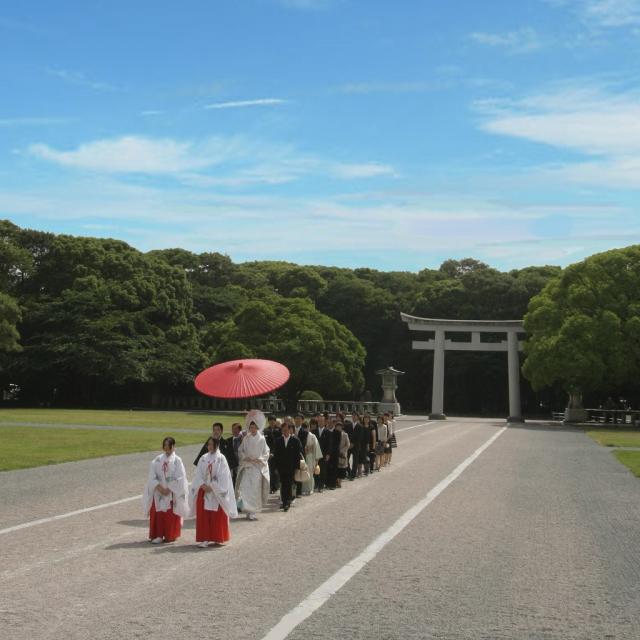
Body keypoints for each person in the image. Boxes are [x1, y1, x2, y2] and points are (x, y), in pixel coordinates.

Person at [190, 436, 238, 547]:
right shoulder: (203, 458)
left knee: (217, 515)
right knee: (204, 516)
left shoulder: (221, 458)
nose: (209, 446)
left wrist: (212, 486)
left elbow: (224, 476)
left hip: (216, 492)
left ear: (216, 445)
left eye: (211, 444)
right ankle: (204, 538)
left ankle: (217, 536)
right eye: (208, 444)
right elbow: (198, 474)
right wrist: (202, 484)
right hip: (204, 491)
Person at [143, 437, 189, 544]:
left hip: (171, 492)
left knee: (169, 514)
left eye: (169, 446)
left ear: (173, 447)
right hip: (159, 491)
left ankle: (170, 534)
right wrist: (159, 487)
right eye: (165, 446)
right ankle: (158, 534)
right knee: (159, 513)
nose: (166, 448)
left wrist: (170, 488)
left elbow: (180, 477)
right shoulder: (157, 460)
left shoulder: (177, 460)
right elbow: (152, 476)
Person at [235, 420, 270, 521]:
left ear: (257, 428)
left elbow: (266, 452)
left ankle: (253, 511)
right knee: (246, 489)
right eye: (251, 427)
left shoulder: (262, 439)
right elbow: (240, 450)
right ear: (249, 428)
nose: (253, 429)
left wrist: (260, 459)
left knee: (255, 490)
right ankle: (247, 509)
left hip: (257, 467)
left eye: (254, 427)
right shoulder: (246, 438)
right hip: (248, 466)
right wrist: (246, 457)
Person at [273, 421, 303, 512]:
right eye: (283, 430)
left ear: (290, 430)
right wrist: (275, 467)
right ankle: (284, 501)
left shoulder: (295, 440)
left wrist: (297, 468)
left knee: (289, 484)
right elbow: (276, 455)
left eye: (287, 429)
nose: (285, 431)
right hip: (281, 467)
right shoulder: (278, 441)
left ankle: (287, 502)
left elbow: (297, 455)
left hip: (291, 467)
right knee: (283, 484)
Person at [302, 418, 323, 495]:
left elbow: (316, 447)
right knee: (303, 472)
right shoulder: (301, 435)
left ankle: (310, 488)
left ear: (309, 427)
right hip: (303, 456)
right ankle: (303, 488)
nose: (305, 429)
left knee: (310, 473)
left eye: (307, 427)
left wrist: (316, 460)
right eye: (304, 427)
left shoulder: (312, 436)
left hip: (311, 456)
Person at [264, 415, 281, 493]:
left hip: (277, 453)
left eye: (273, 420)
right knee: (270, 470)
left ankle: (276, 486)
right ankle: (270, 486)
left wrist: (274, 452)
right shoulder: (265, 430)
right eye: (270, 420)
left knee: (276, 471)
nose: (271, 422)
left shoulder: (279, 430)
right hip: (268, 453)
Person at [335, 421, 350, 488]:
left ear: (342, 427)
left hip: (342, 455)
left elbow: (348, 444)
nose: (338, 428)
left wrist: (342, 451)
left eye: (340, 427)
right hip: (335, 454)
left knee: (341, 469)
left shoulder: (345, 435)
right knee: (336, 468)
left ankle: (339, 482)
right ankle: (336, 481)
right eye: (337, 427)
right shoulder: (333, 434)